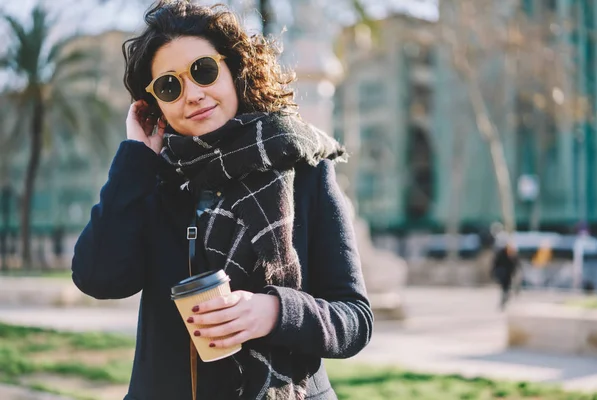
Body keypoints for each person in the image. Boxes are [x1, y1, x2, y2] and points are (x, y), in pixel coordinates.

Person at [70, 1, 373, 400]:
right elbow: (97, 278)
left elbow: (355, 319)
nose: (193, 94)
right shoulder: (150, 181)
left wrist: (277, 312)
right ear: (154, 104)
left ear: (233, 69)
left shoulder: (304, 169)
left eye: (204, 71)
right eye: (169, 86)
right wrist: (135, 157)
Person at [491, 242, 520, 310]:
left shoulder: (513, 254)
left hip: (509, 273)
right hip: (502, 272)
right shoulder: (501, 254)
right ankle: (504, 298)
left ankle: (505, 297)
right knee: (504, 286)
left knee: (507, 286)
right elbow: (496, 263)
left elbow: (516, 264)